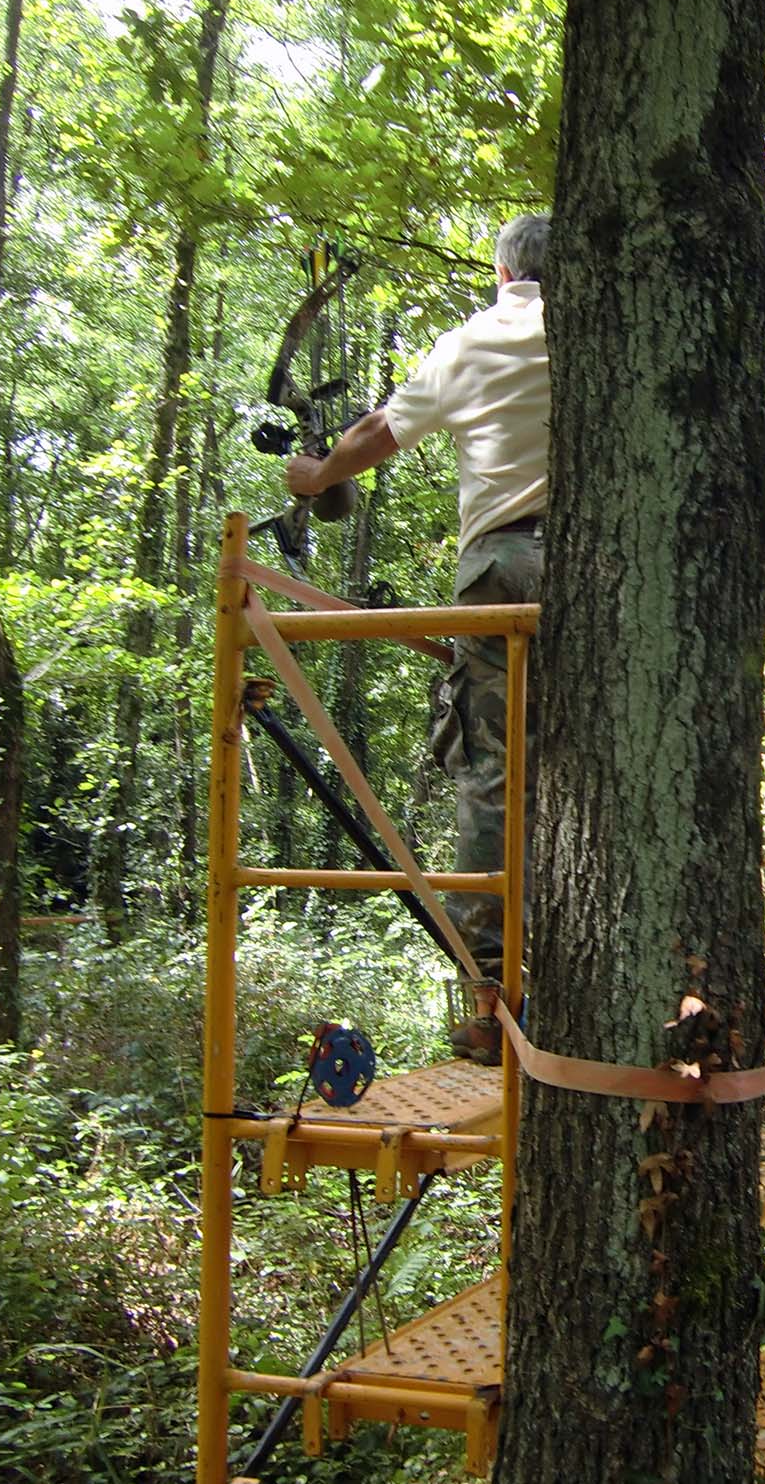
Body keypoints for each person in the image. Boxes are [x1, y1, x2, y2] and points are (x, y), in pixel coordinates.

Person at [286, 213, 552, 1064]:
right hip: (599, 576)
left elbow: (378, 433)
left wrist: (316, 475)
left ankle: (492, 999)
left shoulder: (474, 342)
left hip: (500, 571)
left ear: (503, 273)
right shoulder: (607, 340)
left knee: (494, 773)